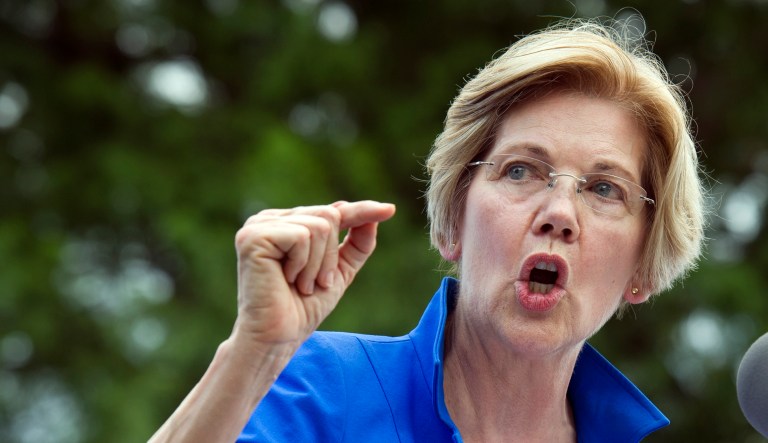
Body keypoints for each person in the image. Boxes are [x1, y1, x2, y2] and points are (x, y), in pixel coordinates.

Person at [150, 18, 705, 443]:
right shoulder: (325, 390)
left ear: (644, 268)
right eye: (521, 170)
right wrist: (251, 354)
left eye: (605, 188)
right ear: (453, 223)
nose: (560, 212)